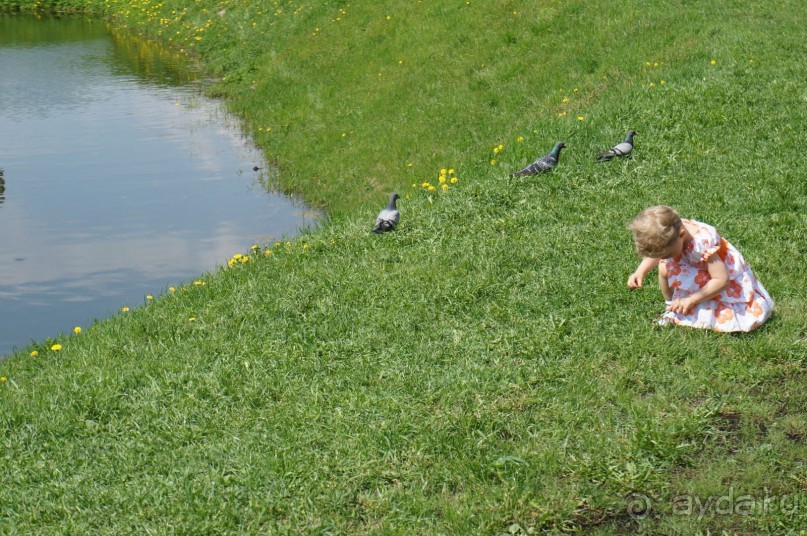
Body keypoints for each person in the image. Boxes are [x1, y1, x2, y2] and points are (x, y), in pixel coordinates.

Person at [627, 205, 773, 332]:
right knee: (664, 267)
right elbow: (658, 254)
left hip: (718, 273)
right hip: (695, 264)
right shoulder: (671, 232)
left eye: (668, 254)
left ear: (682, 235)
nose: (666, 258)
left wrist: (692, 298)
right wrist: (641, 271)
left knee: (718, 309)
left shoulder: (701, 244)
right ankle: (670, 308)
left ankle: (690, 303)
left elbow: (722, 280)